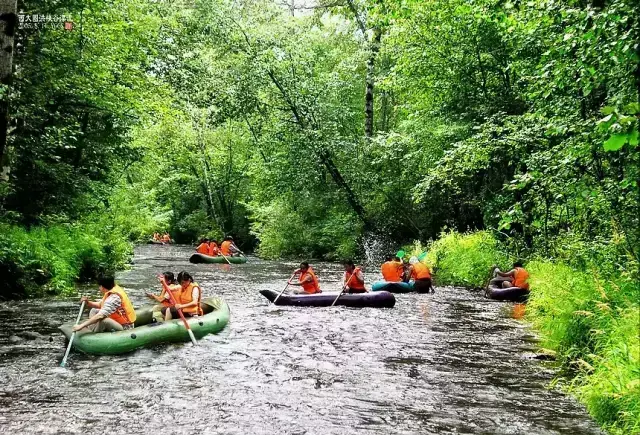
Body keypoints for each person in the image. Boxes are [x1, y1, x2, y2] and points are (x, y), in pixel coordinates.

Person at [72, 276, 136, 333]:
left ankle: (93, 332)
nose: (99, 288)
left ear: (102, 287)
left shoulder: (114, 298)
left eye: (99, 286)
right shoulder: (111, 290)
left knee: (105, 321)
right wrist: (88, 302)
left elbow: (100, 316)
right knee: (94, 310)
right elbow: (100, 305)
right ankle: (93, 327)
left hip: (125, 326)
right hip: (116, 320)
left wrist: (81, 326)